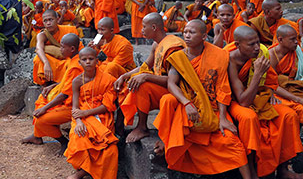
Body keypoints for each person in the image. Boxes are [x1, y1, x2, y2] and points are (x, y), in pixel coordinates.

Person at [153, 20, 251, 178]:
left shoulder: (218, 56)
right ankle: (167, 139)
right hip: (186, 109)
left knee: (232, 143)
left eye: (192, 32)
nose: (187, 35)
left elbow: (222, 88)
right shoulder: (178, 57)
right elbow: (171, 84)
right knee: (167, 99)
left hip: (212, 108)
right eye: (185, 31)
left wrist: (223, 118)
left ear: (204, 36)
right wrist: (187, 103)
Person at [227, 25, 303, 178]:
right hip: (235, 101)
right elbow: (243, 101)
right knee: (249, 119)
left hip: (258, 97)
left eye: (257, 42)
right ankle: (253, 173)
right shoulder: (230, 61)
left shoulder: (261, 53)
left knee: (288, 115)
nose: (257, 47)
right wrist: (258, 75)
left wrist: (269, 90)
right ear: (237, 45)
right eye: (251, 44)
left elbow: (269, 82)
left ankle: (283, 170)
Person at [116, 13, 185, 143]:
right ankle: (119, 127)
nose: (141, 30)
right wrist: (124, 75)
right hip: (163, 87)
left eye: (144, 26)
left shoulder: (173, 48)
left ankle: (142, 127)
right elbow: (145, 66)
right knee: (129, 81)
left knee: (142, 84)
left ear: (154, 27)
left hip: (177, 91)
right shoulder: (156, 44)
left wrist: (146, 76)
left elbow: (173, 82)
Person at [64, 47, 118, 179]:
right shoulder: (76, 81)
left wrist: (86, 113)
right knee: (79, 136)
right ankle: (83, 170)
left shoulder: (108, 79)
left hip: (102, 116)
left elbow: (107, 106)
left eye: (91, 59)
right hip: (81, 116)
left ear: (97, 61)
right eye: (84, 59)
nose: (88, 62)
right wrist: (78, 122)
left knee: (110, 150)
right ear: (79, 63)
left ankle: (84, 173)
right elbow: (75, 107)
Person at [21, 33, 81, 145]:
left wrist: (45, 109)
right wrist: (52, 86)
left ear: (72, 49)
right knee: (41, 98)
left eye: (62, 47)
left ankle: (64, 142)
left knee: (41, 120)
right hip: (66, 98)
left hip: (72, 105)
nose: (60, 49)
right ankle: (37, 136)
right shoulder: (72, 60)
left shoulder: (76, 66)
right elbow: (67, 82)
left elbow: (65, 94)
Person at [32, 10, 67, 85]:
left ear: (57, 19)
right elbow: (38, 48)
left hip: (65, 60)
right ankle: (46, 82)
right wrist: (46, 62)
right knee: (38, 59)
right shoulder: (42, 35)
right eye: (45, 21)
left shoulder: (68, 31)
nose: (48, 23)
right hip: (52, 61)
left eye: (51, 20)